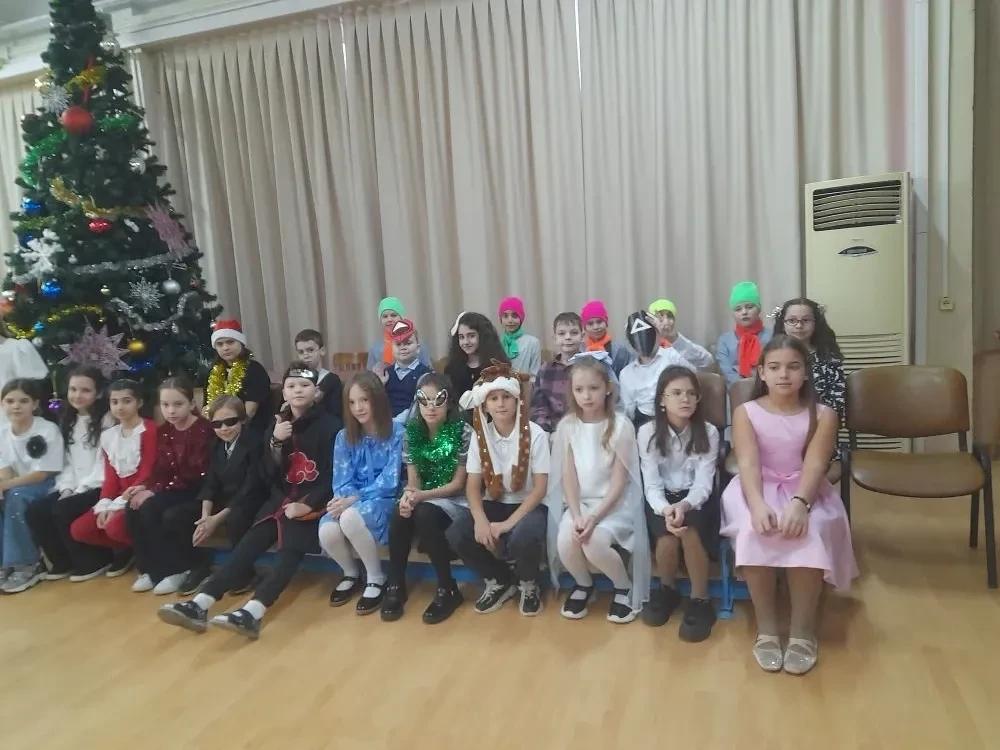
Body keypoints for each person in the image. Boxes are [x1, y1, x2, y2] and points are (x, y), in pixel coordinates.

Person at [158, 363, 341, 640]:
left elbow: (334, 474)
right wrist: (276, 442)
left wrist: (309, 503)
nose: (297, 391)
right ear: (284, 392)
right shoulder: (275, 425)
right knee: (248, 546)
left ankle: (254, 611)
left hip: (310, 504)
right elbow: (266, 472)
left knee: (288, 554)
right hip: (279, 499)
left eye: (304, 385)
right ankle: (200, 603)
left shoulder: (331, 426)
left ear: (315, 391)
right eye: (291, 386)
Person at [722, 335, 857, 674]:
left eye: (793, 367)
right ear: (762, 373)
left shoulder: (823, 414)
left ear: (805, 372)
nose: (784, 374)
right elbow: (748, 462)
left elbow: (816, 463)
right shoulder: (746, 412)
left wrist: (800, 503)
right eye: (775, 367)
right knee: (754, 530)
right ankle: (767, 627)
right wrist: (756, 505)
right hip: (756, 487)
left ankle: (802, 630)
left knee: (809, 532)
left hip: (805, 489)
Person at [547, 358, 649, 623]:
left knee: (593, 543)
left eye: (593, 388)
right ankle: (584, 584)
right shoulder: (567, 426)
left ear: (607, 388)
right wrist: (577, 514)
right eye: (579, 390)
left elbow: (619, 483)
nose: (586, 396)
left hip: (614, 504)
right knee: (565, 540)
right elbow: (569, 477)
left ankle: (623, 586)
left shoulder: (621, 426)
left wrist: (594, 518)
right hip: (581, 504)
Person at [446, 363, 550, 616]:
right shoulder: (480, 437)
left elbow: (539, 489)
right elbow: (472, 487)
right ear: (485, 405)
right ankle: (499, 579)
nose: (501, 404)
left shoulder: (535, 434)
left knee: (523, 535)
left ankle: (528, 582)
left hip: (529, 504)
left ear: (517, 400)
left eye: (506, 397)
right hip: (495, 501)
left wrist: (507, 525)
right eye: (493, 398)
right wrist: (481, 520)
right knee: (457, 532)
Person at [382, 372, 472, 624]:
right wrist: (409, 497)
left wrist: (420, 497)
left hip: (457, 500)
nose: (431, 407)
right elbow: (413, 482)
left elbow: (458, 484)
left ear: (449, 402)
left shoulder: (463, 432)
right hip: (425, 495)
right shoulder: (411, 432)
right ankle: (395, 583)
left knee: (425, 513)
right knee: (400, 513)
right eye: (424, 400)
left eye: (437, 400)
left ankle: (447, 587)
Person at [638, 366, 720, 641]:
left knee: (690, 533)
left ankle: (700, 599)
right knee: (666, 538)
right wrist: (665, 509)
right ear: (662, 400)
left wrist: (684, 506)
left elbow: (704, 484)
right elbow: (651, 484)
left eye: (691, 393)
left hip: (695, 499)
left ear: (698, 399)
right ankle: (667, 590)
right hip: (661, 498)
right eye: (676, 393)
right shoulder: (647, 432)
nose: (685, 399)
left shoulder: (709, 432)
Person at [320, 372, 404, 614]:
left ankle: (376, 577)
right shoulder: (343, 437)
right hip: (351, 499)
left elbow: (390, 480)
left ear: (377, 399)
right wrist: (344, 500)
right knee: (327, 529)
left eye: (364, 400)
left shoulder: (397, 432)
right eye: (352, 402)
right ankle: (351, 573)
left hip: (385, 499)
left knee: (349, 517)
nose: (358, 408)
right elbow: (341, 479)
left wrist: (354, 500)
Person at [124, 376, 213, 595]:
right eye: (165, 405)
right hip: (173, 489)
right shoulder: (164, 431)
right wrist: (145, 487)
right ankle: (149, 568)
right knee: (133, 506)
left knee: (159, 511)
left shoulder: (204, 430)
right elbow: (160, 468)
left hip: (198, 492)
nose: (171, 410)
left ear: (191, 404)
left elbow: (198, 474)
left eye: (178, 404)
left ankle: (175, 569)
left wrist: (155, 491)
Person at [24, 366, 112, 583]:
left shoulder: (106, 420)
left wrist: (80, 489)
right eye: (73, 389)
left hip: (98, 485)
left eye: (85, 390)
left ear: (98, 393)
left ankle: (92, 560)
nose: (77, 395)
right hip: (75, 484)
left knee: (63, 509)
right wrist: (67, 488)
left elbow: (103, 462)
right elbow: (67, 462)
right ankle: (62, 561)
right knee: (36, 510)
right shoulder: (67, 420)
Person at [69, 380, 156, 579]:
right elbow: (110, 478)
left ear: (139, 402)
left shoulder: (149, 430)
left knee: (114, 526)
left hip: (141, 492)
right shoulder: (109, 436)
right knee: (79, 530)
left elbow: (147, 473)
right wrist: (105, 505)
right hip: (118, 496)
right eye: (114, 402)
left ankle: (151, 551)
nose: (120, 407)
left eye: (126, 401)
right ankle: (131, 549)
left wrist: (118, 505)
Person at [187, 396, 267, 595]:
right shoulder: (215, 445)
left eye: (230, 422)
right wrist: (205, 516)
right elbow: (211, 482)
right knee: (180, 514)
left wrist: (216, 519)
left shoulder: (255, 442)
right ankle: (197, 566)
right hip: (227, 497)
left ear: (242, 419)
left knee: (236, 518)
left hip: (254, 497)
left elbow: (251, 487)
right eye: (217, 424)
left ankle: (245, 575)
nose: (224, 428)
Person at [0, 379, 64, 593]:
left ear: (35, 404)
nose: (16, 406)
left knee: (16, 497)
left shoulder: (47, 429)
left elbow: (43, 473)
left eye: (23, 401)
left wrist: (6, 485)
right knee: (9, 496)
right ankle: (4, 564)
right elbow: (5, 468)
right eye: (10, 401)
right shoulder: (2, 432)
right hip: (16, 484)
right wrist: (2, 485)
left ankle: (27, 564)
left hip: (46, 484)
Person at [773, 298, 846, 424]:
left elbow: (837, 405)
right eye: (792, 321)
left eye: (806, 320)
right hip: (777, 422)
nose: (799, 326)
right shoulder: (772, 357)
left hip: (819, 424)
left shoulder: (829, 359)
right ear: (783, 324)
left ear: (816, 323)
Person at [618, 310, 696, 427]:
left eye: (648, 335)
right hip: (643, 422)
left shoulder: (672, 356)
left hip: (675, 417)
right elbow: (628, 412)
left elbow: (701, 365)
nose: (643, 342)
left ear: (657, 334)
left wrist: (670, 337)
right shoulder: (626, 374)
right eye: (637, 337)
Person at [204, 319, 272, 436]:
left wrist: (227, 429)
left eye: (230, 342)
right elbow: (206, 408)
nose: (225, 348)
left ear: (241, 343)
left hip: (250, 430)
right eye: (220, 344)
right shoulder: (213, 372)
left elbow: (250, 412)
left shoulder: (254, 369)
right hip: (219, 429)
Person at [530, 312, 584, 432]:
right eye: (561, 333)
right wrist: (546, 430)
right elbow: (539, 407)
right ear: (555, 338)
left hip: (584, 428)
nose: (568, 337)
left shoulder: (590, 367)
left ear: (582, 336)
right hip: (553, 431)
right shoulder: (545, 369)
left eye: (574, 333)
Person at [443, 312, 510, 406]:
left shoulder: (497, 366)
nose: (466, 342)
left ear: (483, 337)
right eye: (461, 337)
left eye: (471, 336)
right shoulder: (452, 369)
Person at [716, 281, 772, 385]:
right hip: (735, 391)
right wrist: (745, 387)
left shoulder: (772, 337)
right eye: (738, 309)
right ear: (733, 314)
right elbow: (727, 372)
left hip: (767, 388)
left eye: (750, 307)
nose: (744, 312)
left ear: (759, 309)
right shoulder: (724, 341)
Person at [379, 319, 432, 419]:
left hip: (413, 423)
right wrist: (380, 386)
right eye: (398, 344)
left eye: (408, 343)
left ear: (418, 348)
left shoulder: (425, 375)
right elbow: (378, 403)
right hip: (386, 422)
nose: (403, 347)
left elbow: (421, 406)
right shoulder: (385, 373)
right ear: (392, 348)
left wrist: (397, 421)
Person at [367, 296, 432, 372]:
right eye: (385, 316)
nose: (389, 319)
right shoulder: (375, 348)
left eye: (393, 315)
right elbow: (369, 375)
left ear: (402, 317)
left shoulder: (416, 343)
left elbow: (429, 372)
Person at [647, 298, 714, 368]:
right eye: (660, 317)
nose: (666, 321)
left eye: (669, 317)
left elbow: (707, 360)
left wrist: (674, 339)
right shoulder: (645, 345)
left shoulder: (681, 343)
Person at [294, 329, 343, 419]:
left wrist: (313, 403)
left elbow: (336, 414)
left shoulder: (331, 380)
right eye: (301, 352)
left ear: (322, 350)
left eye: (310, 350)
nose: (306, 355)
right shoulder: (293, 379)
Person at [580, 299, 633, 376]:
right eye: (590, 324)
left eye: (599, 322)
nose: (596, 327)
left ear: (606, 322)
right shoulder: (580, 350)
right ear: (584, 327)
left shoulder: (619, 350)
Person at [498, 296, 542, 376]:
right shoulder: (496, 342)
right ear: (501, 319)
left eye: (514, 316)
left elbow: (535, 373)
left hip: (526, 383)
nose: (510, 320)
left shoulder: (532, 342)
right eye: (505, 316)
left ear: (521, 318)